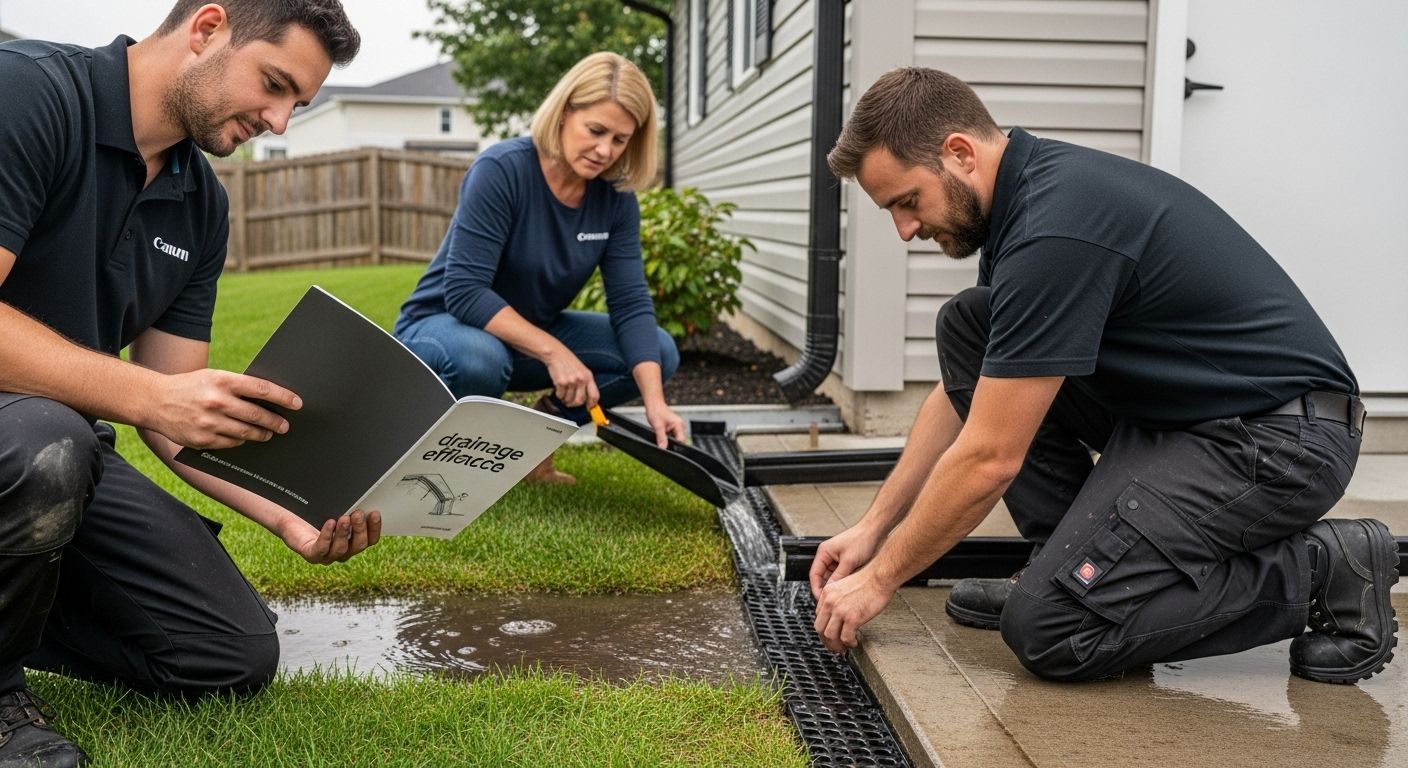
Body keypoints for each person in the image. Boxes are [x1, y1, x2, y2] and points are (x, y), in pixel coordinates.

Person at [809, 67, 1396, 686]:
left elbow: (989, 457)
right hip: (1185, 420)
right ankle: (1064, 565)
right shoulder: (1025, 201)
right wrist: (875, 529)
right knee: (969, 326)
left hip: (1277, 442)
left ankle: (1323, 570)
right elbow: (979, 395)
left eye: (906, 201)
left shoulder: (1054, 229)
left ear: (958, 152)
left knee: (1053, 631)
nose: (904, 229)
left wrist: (880, 580)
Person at [0, 2, 369, 765]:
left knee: (227, 653)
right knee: (50, 443)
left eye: (296, 104)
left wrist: (291, 517)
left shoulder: (202, 204)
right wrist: (148, 397)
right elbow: (153, 399)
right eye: (274, 85)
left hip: (59, 466)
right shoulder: (28, 94)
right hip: (37, 448)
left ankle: (23, 598)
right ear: (207, 29)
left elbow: (175, 408)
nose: (278, 121)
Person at [393, 52, 686, 484]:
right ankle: (437, 465)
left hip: (523, 337)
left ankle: (528, 452)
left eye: (620, 140)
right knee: (481, 358)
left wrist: (655, 402)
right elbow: (465, 291)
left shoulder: (615, 201)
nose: (605, 150)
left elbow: (630, 302)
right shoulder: (502, 170)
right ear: (565, 113)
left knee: (657, 354)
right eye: (596, 130)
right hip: (441, 329)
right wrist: (555, 352)